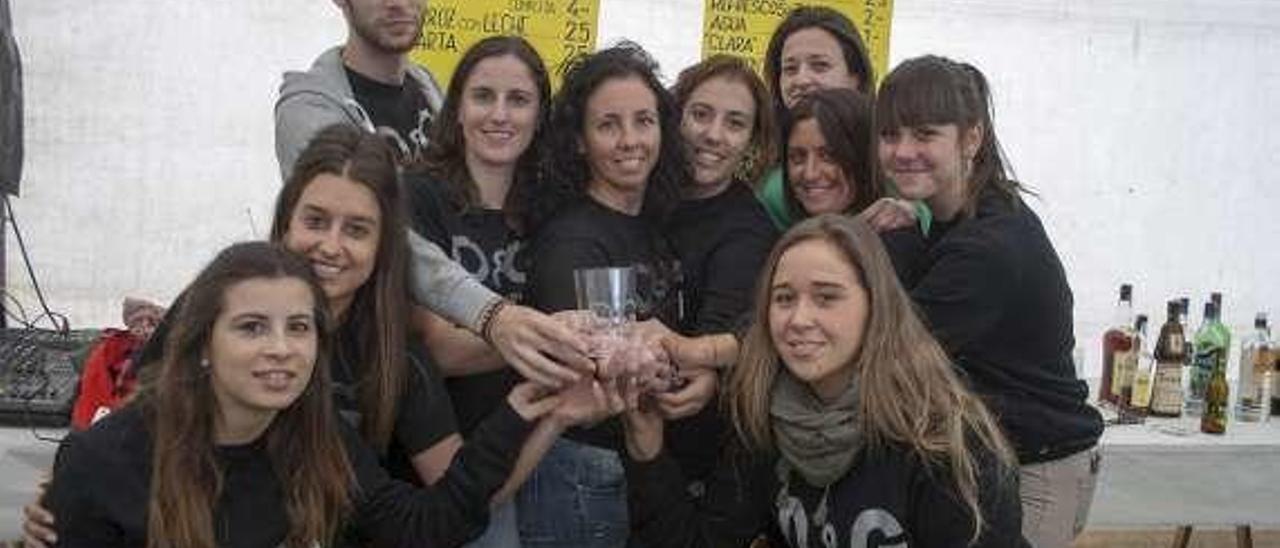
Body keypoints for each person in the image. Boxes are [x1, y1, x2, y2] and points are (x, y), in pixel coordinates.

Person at [24, 125, 592, 548]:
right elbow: (118, 439)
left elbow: (438, 513)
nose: (331, 246)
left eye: (357, 230)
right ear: (205, 344)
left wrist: (534, 411)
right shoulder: (199, 327)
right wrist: (69, 487)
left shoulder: (338, 415)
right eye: (316, 221)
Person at [43, 241, 561, 548]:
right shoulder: (104, 461)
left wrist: (522, 411)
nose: (281, 349)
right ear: (203, 343)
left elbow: (425, 523)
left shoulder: (318, 437)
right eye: (251, 328)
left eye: (298, 327)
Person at [622, 215, 1029, 547]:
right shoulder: (766, 417)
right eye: (783, 298)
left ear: (876, 308)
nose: (799, 320)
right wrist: (648, 450)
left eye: (826, 297)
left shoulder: (946, 442)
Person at [273, 0, 590, 391]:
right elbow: (391, 238)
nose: (398, 3)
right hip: (333, 375)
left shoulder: (427, 91)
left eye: (519, 100)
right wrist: (496, 318)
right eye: (484, 97)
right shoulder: (310, 107)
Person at [875, 55, 1104, 547]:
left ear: (971, 138)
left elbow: (892, 357)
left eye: (924, 134)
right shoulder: (966, 214)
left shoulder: (987, 247)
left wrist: (894, 242)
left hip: (1037, 468)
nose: (903, 151)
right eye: (890, 135)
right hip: (997, 459)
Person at [517, 42, 686, 548]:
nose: (630, 140)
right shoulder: (572, 239)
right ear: (579, 141)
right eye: (608, 124)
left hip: (625, 463)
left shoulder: (649, 222)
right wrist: (685, 368)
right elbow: (591, 365)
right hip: (579, 472)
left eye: (643, 121)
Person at [404, 35, 552, 546]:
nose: (500, 115)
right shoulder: (417, 195)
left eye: (518, 99)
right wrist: (554, 338)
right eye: (483, 96)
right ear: (458, 109)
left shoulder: (548, 206)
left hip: (530, 450)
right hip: (435, 463)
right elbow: (435, 347)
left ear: (539, 115)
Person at [756, 6, 921, 233]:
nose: (801, 79)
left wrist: (913, 213)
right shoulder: (763, 170)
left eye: (820, 65)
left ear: (857, 77)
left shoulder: (900, 150)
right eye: (790, 69)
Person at [781, 87, 879, 222]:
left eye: (829, 157)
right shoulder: (784, 237)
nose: (810, 174)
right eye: (798, 158)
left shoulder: (897, 239)